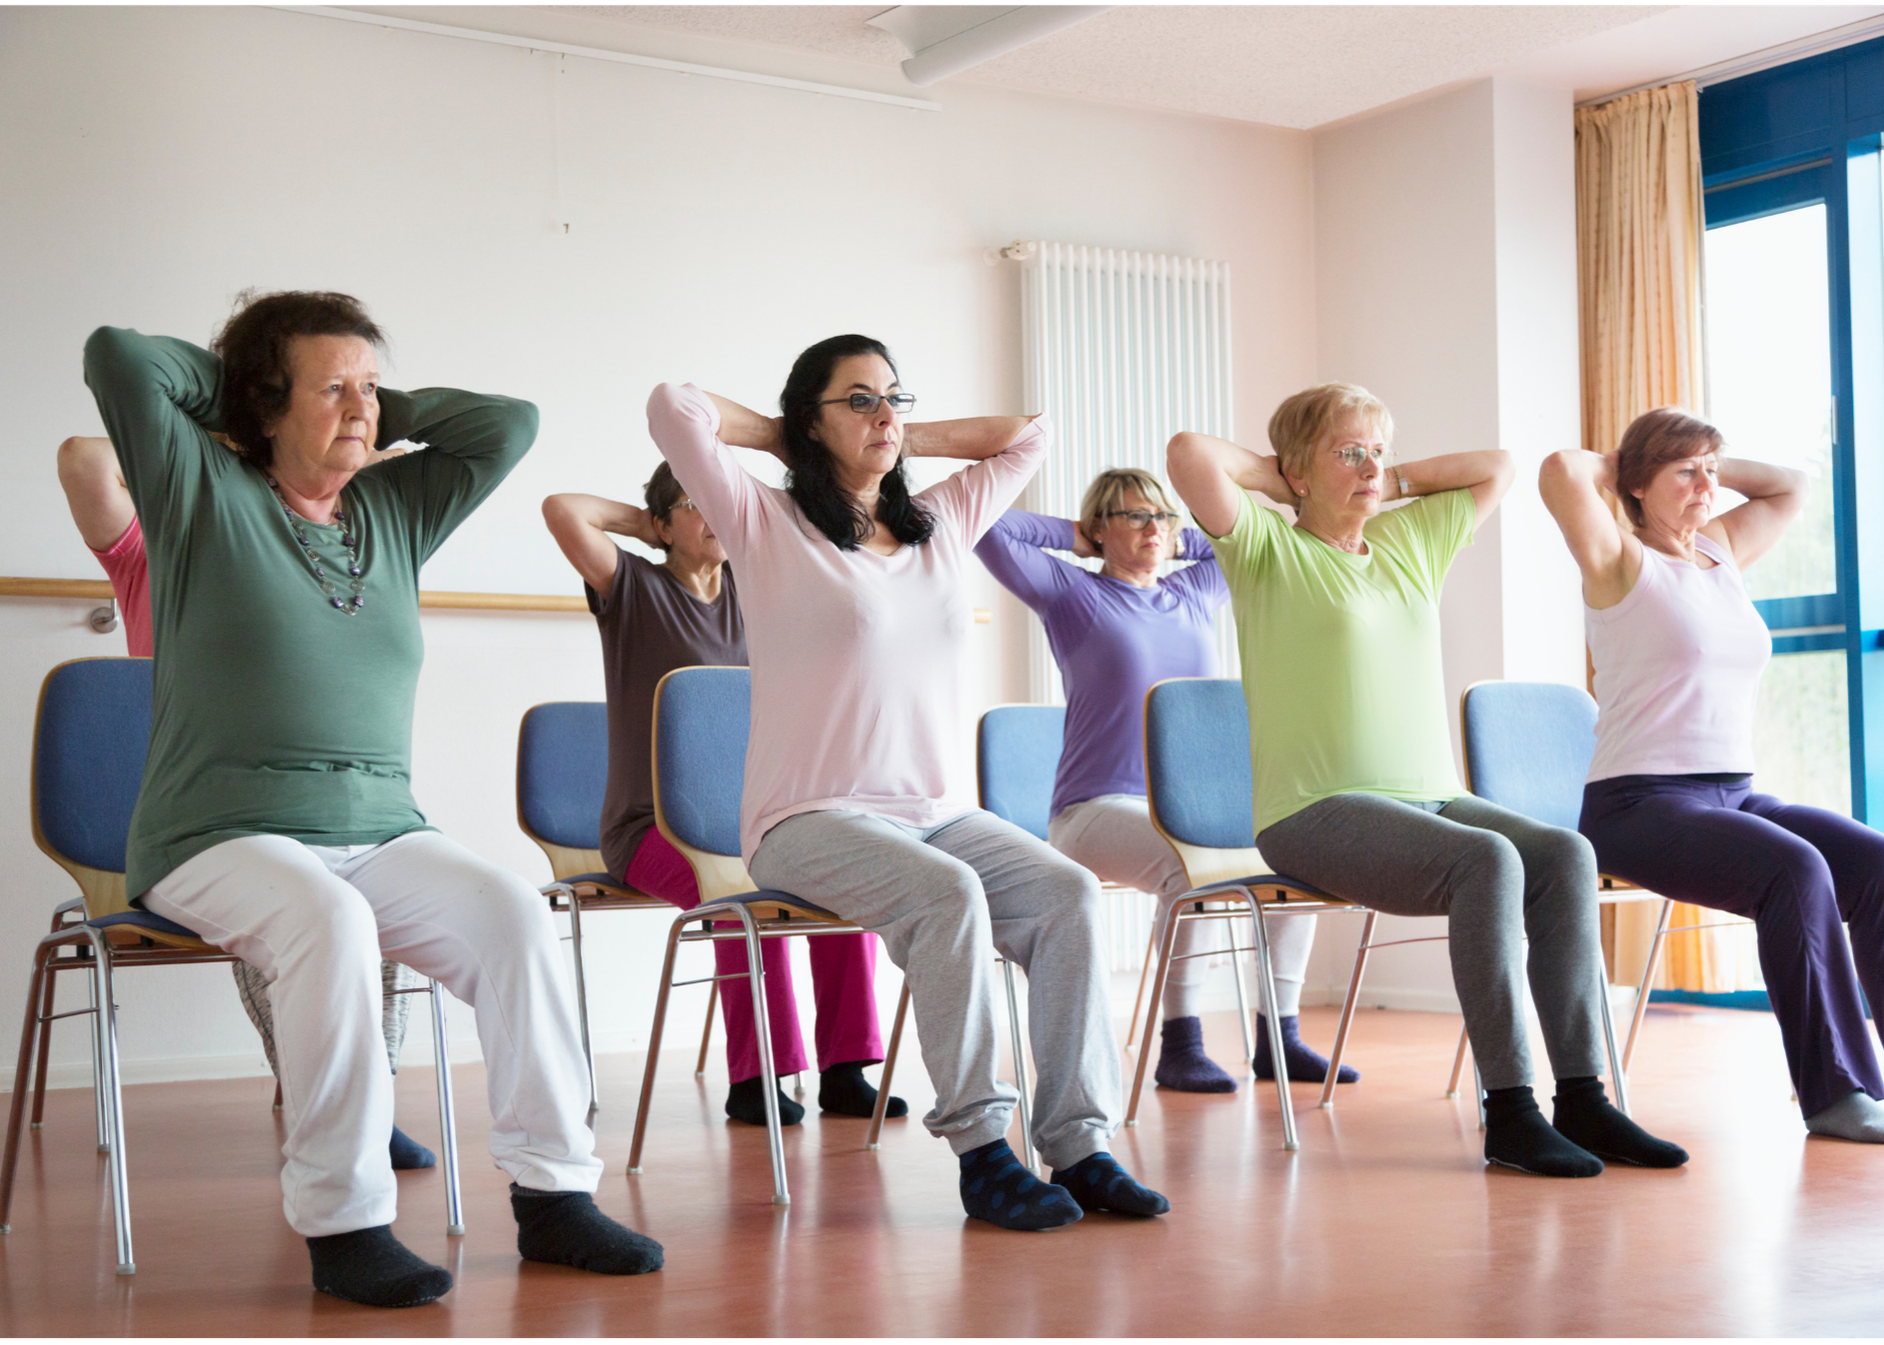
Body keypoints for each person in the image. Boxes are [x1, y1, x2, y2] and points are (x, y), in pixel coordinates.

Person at [81, 290, 660, 1308]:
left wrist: (368, 409)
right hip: (213, 833)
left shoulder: (394, 508)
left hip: (382, 827)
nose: (362, 407)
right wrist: (245, 394)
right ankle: (345, 1222)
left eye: (372, 386)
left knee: (515, 916)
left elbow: (507, 424)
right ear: (264, 403)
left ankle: (555, 1196)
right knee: (329, 920)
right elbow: (119, 356)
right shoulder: (200, 487)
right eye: (332, 389)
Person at [647, 334, 1169, 1230]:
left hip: (934, 811)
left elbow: (1029, 436)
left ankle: (1079, 1146)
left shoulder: (939, 523)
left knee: (1068, 892)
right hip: (804, 819)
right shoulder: (765, 523)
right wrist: (787, 435)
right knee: (948, 894)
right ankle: (983, 1151)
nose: (885, 411)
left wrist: (889, 432)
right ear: (811, 419)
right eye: (857, 398)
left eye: (894, 396)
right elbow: (673, 406)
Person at [1167, 383, 1689, 1177]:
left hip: (1433, 795)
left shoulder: (1412, 540)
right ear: (1297, 471)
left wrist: (1383, 477)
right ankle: (1510, 1110)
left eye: (1378, 449)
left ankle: (1583, 1098)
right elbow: (1189, 454)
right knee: (1487, 861)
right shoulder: (1266, 547)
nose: (1371, 465)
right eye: (1350, 451)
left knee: (1564, 855)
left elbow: (1499, 467)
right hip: (1313, 808)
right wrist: (1284, 480)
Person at [56, 434, 436, 1171]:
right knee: (290, 900)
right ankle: (334, 1102)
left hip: (306, 805)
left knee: (372, 897)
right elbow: (84, 459)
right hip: (192, 815)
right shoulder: (155, 549)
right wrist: (240, 438)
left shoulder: (313, 552)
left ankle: (367, 1096)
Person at [1541, 407, 1884, 1143]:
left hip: (1733, 790)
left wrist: (1701, 462)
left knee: (1874, 864)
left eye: (1711, 470)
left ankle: (1868, 1079)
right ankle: (1836, 1094)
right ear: (1637, 485)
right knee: (1793, 868)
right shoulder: (1619, 560)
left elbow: (1791, 486)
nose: (1705, 486)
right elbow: (1562, 472)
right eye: (1684, 472)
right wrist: (1629, 460)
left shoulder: (1721, 553)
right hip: (1637, 804)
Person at [543, 464, 903, 1128]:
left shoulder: (756, 589)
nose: (711, 514)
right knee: (738, 900)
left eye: (719, 503)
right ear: (662, 522)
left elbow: (820, 529)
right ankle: (757, 1075)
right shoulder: (633, 588)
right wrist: (647, 523)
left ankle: (846, 1069)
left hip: (754, 822)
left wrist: (722, 511)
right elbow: (564, 508)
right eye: (693, 504)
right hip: (649, 828)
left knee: (834, 883)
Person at [975, 469, 1351, 1092]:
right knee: (1188, 867)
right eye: (1134, 517)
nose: (1154, 528)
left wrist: (1176, 536)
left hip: (1193, 808)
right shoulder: (1073, 596)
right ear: (1100, 528)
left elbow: (1251, 534)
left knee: (1298, 856)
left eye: (1163, 516)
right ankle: (1181, 1045)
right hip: (1094, 810)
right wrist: (1078, 538)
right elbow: (986, 527)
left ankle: (1278, 1040)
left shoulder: (1198, 593)